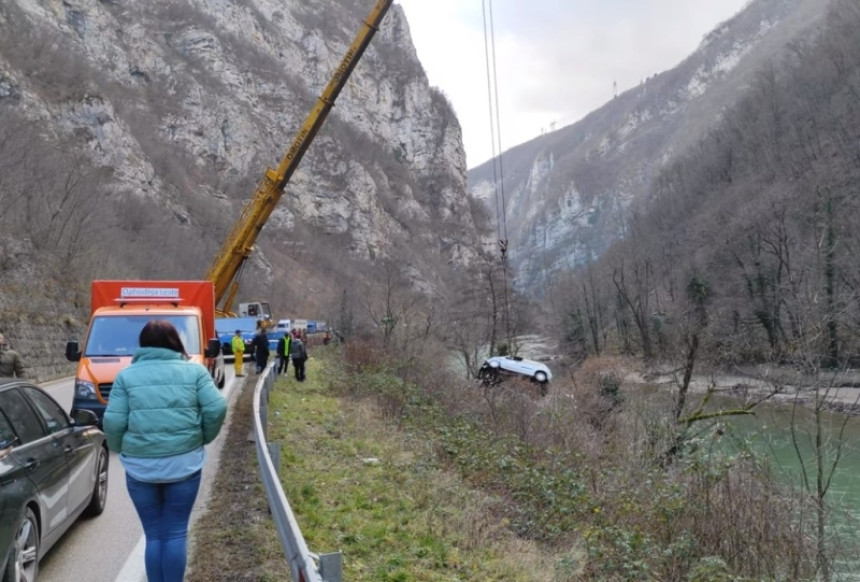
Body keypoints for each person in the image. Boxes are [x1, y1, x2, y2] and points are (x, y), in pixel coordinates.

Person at [103, 320, 227, 582]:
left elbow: (113, 422)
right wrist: (202, 437)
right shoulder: (194, 372)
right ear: (175, 342)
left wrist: (119, 447)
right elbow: (216, 408)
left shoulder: (126, 376)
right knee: (175, 532)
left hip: (140, 468)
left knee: (154, 534)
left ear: (143, 344)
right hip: (184, 464)